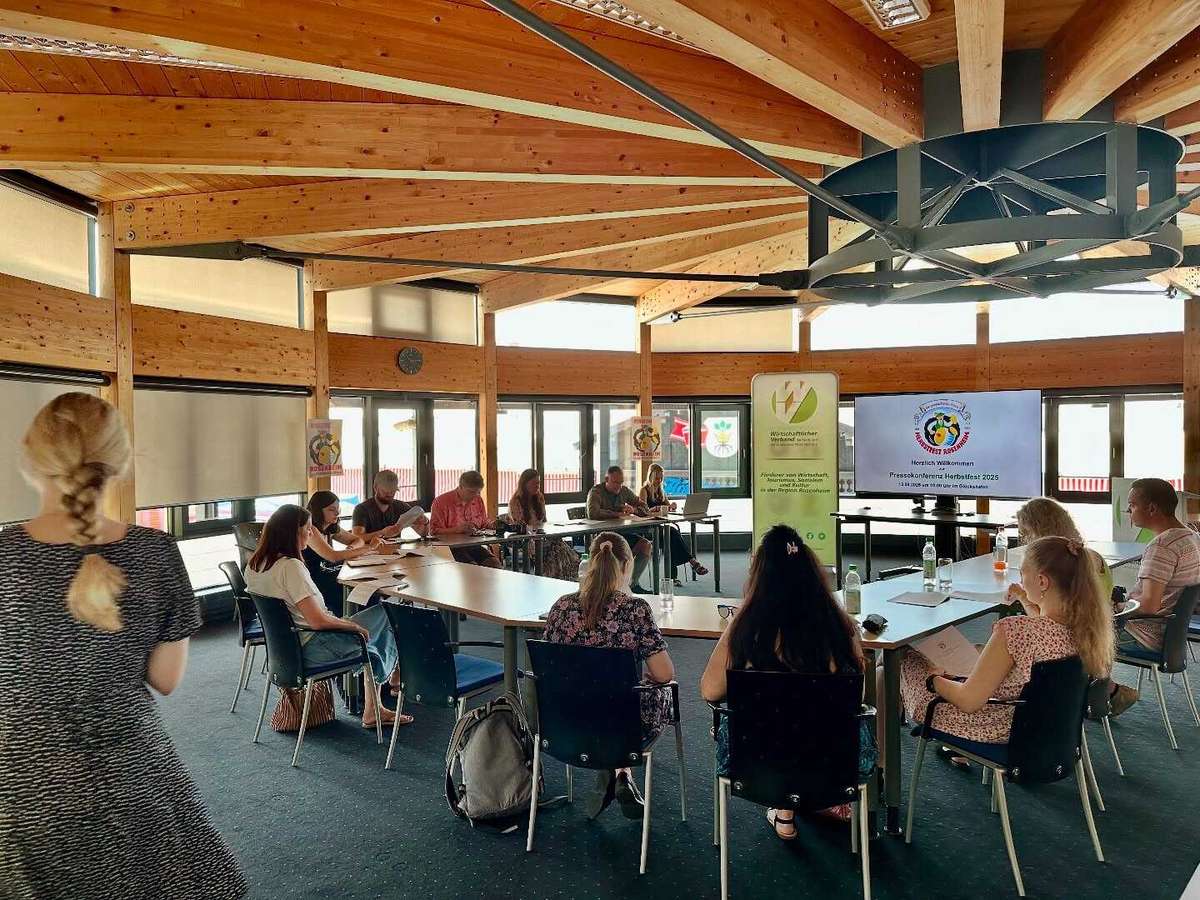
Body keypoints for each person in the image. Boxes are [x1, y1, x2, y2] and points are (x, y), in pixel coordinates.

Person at [0, 392, 247, 899]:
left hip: (25, 788)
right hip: (130, 775)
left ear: (31, 457)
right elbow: (166, 680)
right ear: (119, 463)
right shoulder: (154, 551)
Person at [701, 524, 872, 839]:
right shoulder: (841, 628)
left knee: (768, 722)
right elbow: (855, 692)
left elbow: (709, 690)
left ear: (759, 576)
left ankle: (784, 810)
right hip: (832, 760)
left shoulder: (745, 630)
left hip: (757, 760)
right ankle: (814, 802)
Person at [900, 536, 1115, 757]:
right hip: (1046, 730)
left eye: (1023, 573)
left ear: (1042, 581)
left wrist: (934, 680)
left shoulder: (1014, 630)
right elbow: (1043, 627)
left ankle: (879, 765)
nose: (1021, 580)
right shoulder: (1086, 630)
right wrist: (1024, 598)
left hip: (995, 728)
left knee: (903, 658)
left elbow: (969, 701)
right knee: (970, 654)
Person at [543, 532, 675, 820]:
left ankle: (616, 771)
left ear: (589, 564)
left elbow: (548, 669)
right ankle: (619, 769)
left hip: (566, 721)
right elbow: (665, 674)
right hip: (622, 723)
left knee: (600, 694)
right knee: (654, 689)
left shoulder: (561, 606)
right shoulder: (635, 609)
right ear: (628, 566)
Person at [245, 504, 410, 729]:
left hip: (287, 648)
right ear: (292, 532)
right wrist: (351, 627)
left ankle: (378, 694)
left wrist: (347, 623)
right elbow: (318, 621)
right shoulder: (291, 567)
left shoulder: (254, 565)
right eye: (308, 528)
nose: (312, 534)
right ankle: (384, 687)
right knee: (387, 621)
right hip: (315, 645)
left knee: (383, 615)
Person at [1110, 478, 1200, 712]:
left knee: (1073, 635)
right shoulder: (1191, 537)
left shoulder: (1162, 546)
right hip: (1170, 633)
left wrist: (1117, 609)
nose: (1128, 510)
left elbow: (1149, 606)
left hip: (1144, 633)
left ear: (1151, 508)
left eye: (1132, 505)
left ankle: (1110, 693)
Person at [1015, 497, 1113, 601]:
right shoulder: (1087, 555)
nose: (1025, 540)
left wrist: (1023, 598)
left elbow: (1049, 616)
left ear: (1038, 532)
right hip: (1102, 616)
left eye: (1025, 534)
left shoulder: (1057, 566)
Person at [586, 465, 653, 592]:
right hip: (601, 537)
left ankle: (631, 584)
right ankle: (612, 585)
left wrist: (633, 509)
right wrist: (617, 514)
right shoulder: (596, 492)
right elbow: (593, 513)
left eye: (621, 482)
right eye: (615, 482)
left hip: (622, 533)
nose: (618, 486)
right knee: (616, 551)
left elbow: (645, 508)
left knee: (646, 545)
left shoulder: (624, 491)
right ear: (606, 479)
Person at [640, 462, 709, 585]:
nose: (659, 480)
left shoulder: (661, 491)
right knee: (672, 533)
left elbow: (667, 506)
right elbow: (643, 511)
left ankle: (674, 577)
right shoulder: (644, 490)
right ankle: (692, 562)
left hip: (660, 527)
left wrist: (672, 506)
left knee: (671, 537)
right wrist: (653, 510)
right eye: (657, 478)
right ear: (651, 477)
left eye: (661, 478)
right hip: (648, 528)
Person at [507, 468, 578, 579]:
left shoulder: (539, 497)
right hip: (526, 538)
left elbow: (544, 520)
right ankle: (552, 575)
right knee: (555, 550)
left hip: (541, 535)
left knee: (561, 548)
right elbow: (520, 525)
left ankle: (564, 575)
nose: (537, 486)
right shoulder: (515, 501)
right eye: (534, 483)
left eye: (538, 483)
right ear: (525, 484)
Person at [429, 470, 501, 568]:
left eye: (478, 492)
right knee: (472, 568)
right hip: (450, 548)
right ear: (460, 487)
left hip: (473, 545)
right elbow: (433, 532)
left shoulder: (478, 500)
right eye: (471, 492)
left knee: (494, 564)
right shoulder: (441, 502)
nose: (475, 495)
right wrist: (457, 529)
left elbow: (483, 522)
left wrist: (493, 524)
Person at [352, 470, 428, 542]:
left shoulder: (401, 506)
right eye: (385, 491)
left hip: (396, 553)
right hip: (369, 552)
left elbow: (423, 533)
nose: (390, 494)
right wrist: (382, 533)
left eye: (393, 491)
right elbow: (356, 538)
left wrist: (425, 522)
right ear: (375, 488)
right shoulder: (361, 509)